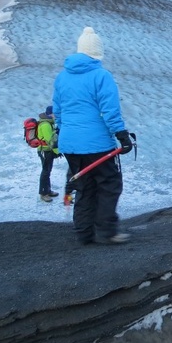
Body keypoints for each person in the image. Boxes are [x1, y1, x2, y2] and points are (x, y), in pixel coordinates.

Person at [53, 26, 133, 245]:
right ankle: (107, 231)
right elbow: (109, 110)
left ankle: (84, 233)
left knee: (84, 187)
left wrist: (64, 132)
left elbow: (57, 112)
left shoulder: (62, 78)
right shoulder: (101, 76)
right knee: (109, 184)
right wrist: (122, 135)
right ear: (97, 51)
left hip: (69, 143)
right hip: (96, 144)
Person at [37, 105, 61, 202]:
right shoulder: (46, 125)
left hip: (48, 151)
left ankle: (47, 190)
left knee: (47, 171)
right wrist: (58, 152)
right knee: (45, 172)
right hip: (45, 151)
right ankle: (43, 193)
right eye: (55, 113)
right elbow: (51, 141)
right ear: (50, 114)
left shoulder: (49, 123)